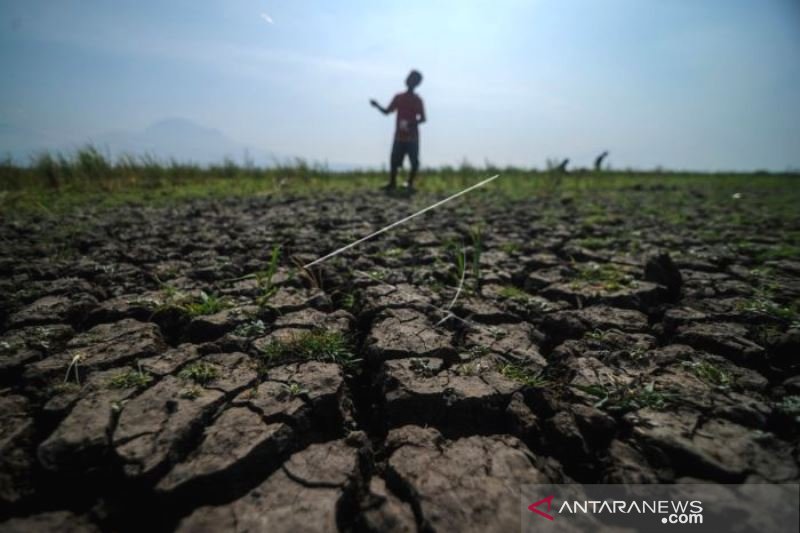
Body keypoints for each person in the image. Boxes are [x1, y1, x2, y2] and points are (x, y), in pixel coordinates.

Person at [370, 70, 426, 191]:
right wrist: (377, 105)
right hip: (399, 136)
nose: (409, 80)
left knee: (414, 161)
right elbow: (387, 111)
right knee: (394, 160)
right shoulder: (399, 97)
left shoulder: (417, 100)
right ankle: (392, 183)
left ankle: (409, 183)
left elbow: (423, 119)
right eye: (409, 77)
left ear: (416, 83)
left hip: (412, 137)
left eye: (412, 79)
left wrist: (413, 123)